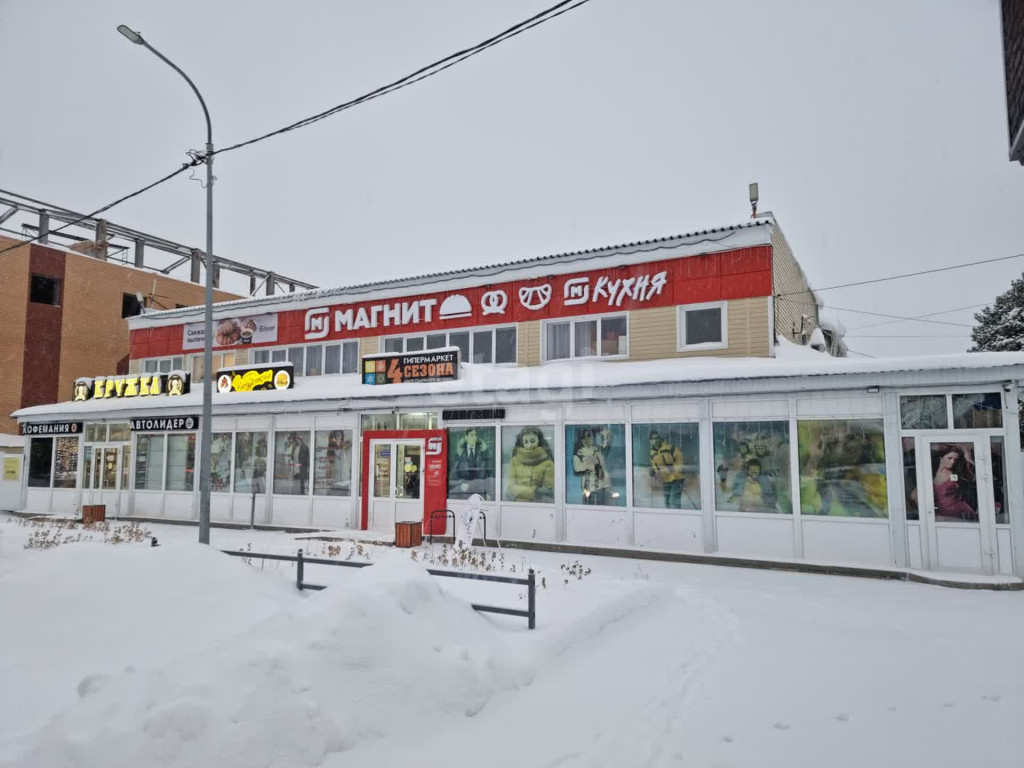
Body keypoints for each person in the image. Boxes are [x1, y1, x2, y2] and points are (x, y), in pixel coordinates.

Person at [506, 427, 555, 503]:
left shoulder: (548, 463)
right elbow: (510, 487)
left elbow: (548, 491)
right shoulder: (515, 461)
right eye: (526, 442)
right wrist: (535, 491)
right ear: (522, 443)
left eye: (533, 441)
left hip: (540, 506)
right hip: (517, 505)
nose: (529, 445)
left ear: (539, 441)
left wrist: (520, 491)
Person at [933, 445, 977, 521]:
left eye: (955, 459)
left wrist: (969, 460)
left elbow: (971, 478)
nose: (953, 462)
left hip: (960, 511)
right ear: (941, 458)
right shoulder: (933, 472)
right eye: (949, 458)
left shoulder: (955, 473)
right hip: (942, 513)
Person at [572, 428, 612, 505]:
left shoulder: (597, 449)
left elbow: (608, 440)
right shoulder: (579, 454)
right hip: (591, 487)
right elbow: (579, 469)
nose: (588, 439)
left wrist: (600, 430)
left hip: (603, 485)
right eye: (584, 437)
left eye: (590, 436)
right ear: (581, 440)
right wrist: (593, 463)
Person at [451, 428, 493, 499]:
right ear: (466, 437)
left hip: (479, 490)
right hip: (465, 490)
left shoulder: (482, 452)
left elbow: (489, 473)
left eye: (475, 435)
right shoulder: (459, 452)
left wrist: (488, 492)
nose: (474, 438)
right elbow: (453, 475)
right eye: (471, 435)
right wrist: (461, 484)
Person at [648, 430, 685, 508]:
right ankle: (670, 518)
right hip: (665, 479)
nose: (656, 440)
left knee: (674, 501)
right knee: (667, 502)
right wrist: (653, 472)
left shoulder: (670, 448)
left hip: (676, 478)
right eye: (653, 438)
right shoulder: (652, 453)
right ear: (650, 441)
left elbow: (679, 458)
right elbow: (655, 466)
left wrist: (674, 469)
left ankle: (677, 518)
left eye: (657, 438)